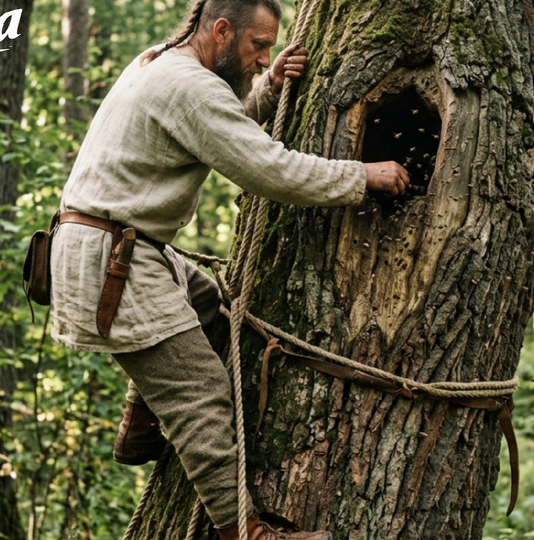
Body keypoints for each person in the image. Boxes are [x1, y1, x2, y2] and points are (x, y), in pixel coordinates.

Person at [49, 0, 409, 538]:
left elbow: (217, 124)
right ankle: (245, 530)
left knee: (211, 310)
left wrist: (267, 91)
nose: (264, 58)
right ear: (221, 30)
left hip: (114, 249)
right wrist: (362, 176)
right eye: (258, 46)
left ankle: (140, 424)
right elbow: (267, 168)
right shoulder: (189, 86)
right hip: (114, 262)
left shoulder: (160, 61)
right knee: (202, 397)